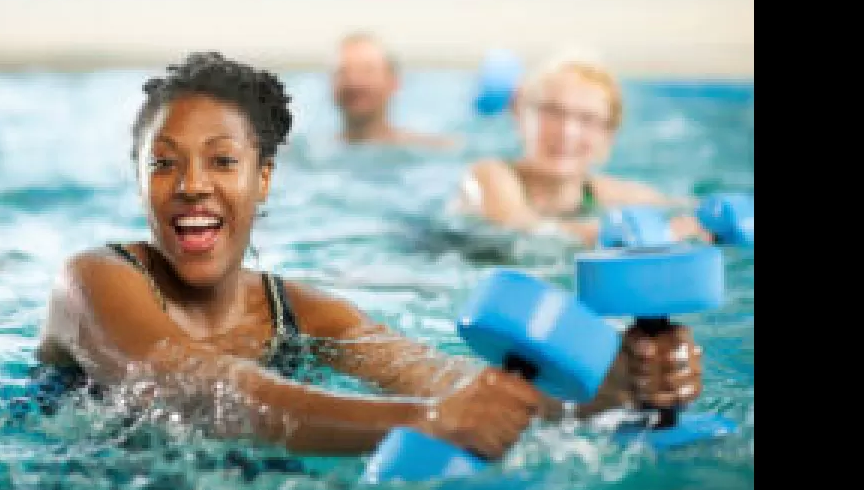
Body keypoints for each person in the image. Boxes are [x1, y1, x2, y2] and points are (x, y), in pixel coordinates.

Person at [35, 52, 705, 458]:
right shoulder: (95, 280)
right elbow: (199, 389)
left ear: (262, 178)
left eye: (223, 161)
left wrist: (611, 391)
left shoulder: (301, 312)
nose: (191, 185)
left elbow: (441, 380)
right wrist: (427, 424)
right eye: (163, 164)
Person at [454, 52, 712, 248]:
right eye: (553, 112)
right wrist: (626, 234)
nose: (567, 132)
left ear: (608, 138)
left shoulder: (603, 193)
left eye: (587, 119)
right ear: (520, 117)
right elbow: (519, 225)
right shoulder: (489, 175)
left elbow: (687, 209)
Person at [329, 33, 458, 149]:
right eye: (344, 72)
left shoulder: (433, 147)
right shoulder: (320, 150)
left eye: (367, 71)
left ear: (394, 82)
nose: (354, 81)